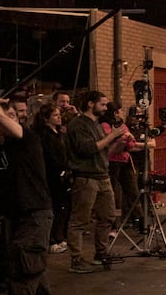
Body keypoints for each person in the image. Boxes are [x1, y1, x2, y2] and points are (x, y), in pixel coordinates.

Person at [0, 97, 57, 295]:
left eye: (14, 117)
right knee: (29, 264)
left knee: (23, 267)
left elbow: (1, 119)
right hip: (13, 214)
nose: (11, 121)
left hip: (35, 212)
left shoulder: (27, 139)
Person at [65, 90, 125, 273]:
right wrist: (111, 136)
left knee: (107, 216)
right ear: (91, 104)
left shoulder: (97, 124)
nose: (105, 108)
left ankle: (101, 252)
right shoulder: (78, 125)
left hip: (102, 175)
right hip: (86, 177)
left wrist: (120, 142)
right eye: (103, 104)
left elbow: (104, 150)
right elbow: (87, 149)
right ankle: (76, 259)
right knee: (80, 220)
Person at [35, 103, 71, 253]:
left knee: (63, 208)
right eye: (55, 115)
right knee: (54, 207)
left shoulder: (58, 134)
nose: (59, 118)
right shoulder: (44, 136)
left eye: (59, 115)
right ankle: (51, 239)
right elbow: (50, 157)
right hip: (52, 176)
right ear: (46, 118)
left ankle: (60, 236)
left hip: (63, 176)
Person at [103, 101, 142, 232]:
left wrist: (126, 139)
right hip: (112, 162)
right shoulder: (105, 125)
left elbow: (131, 144)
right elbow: (109, 143)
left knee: (133, 191)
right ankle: (111, 224)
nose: (122, 113)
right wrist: (122, 139)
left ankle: (140, 220)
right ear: (115, 113)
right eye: (120, 111)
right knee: (111, 193)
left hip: (125, 161)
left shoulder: (123, 125)